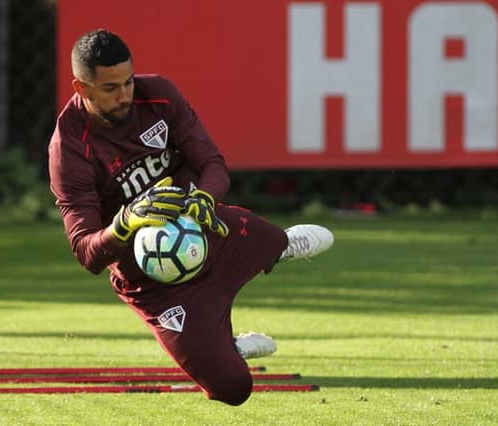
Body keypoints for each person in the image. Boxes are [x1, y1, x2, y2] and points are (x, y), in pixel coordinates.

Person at [48, 28, 334, 406]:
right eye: (110, 88)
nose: (124, 96)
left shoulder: (159, 95)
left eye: (129, 82)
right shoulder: (69, 149)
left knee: (272, 238)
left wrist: (204, 197)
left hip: (205, 229)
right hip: (150, 278)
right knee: (233, 388)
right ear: (81, 88)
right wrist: (126, 220)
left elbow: (212, 163)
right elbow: (87, 254)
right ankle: (223, 346)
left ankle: (278, 247)